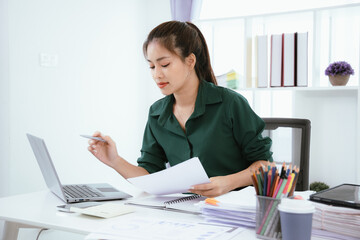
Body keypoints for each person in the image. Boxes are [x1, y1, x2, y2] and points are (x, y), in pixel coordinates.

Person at [87, 21, 272, 198]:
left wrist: (228, 183)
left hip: (231, 209)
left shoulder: (230, 103)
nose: (156, 74)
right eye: (151, 66)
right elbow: (149, 176)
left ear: (190, 61)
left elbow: (266, 166)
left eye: (164, 64)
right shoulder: (156, 113)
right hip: (185, 211)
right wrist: (114, 160)